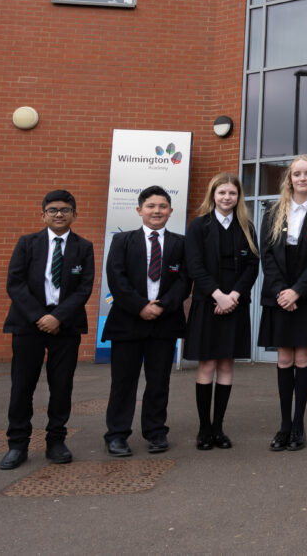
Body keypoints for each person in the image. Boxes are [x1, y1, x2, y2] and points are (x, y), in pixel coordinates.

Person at [0, 190, 95, 470]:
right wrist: (40, 316)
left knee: (61, 386)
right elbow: (15, 283)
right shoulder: (27, 243)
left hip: (65, 327)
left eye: (65, 210)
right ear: (43, 215)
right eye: (52, 210)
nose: (58, 214)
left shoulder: (83, 247)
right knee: (22, 386)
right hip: (29, 325)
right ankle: (17, 445)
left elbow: (84, 288)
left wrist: (58, 318)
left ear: (74, 215)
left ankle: (56, 442)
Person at [103, 185, 190, 457]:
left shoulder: (181, 244)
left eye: (163, 206)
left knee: (158, 382)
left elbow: (184, 282)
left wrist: (162, 306)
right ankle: (117, 435)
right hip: (128, 321)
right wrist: (141, 306)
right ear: (140, 210)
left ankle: (155, 432)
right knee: (123, 382)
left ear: (170, 211)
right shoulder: (122, 241)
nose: (157, 211)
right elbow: (116, 279)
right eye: (151, 206)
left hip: (164, 323)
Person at [258, 155, 307, 452]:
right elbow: (267, 256)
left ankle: (299, 425)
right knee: (284, 359)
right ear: (289, 178)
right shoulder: (273, 212)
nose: (303, 178)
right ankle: (284, 426)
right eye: (297, 174)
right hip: (278, 297)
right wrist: (281, 292)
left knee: (302, 359)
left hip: (306, 297)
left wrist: (297, 292)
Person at [183, 173, 259, 451]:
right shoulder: (199, 226)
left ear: (239, 197)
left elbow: (252, 266)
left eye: (232, 193)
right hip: (208, 304)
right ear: (213, 194)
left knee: (227, 364)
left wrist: (234, 296)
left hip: (235, 305)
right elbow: (194, 265)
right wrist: (218, 295)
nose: (227, 197)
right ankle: (204, 430)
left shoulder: (246, 226)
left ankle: (218, 428)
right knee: (208, 364)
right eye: (222, 192)